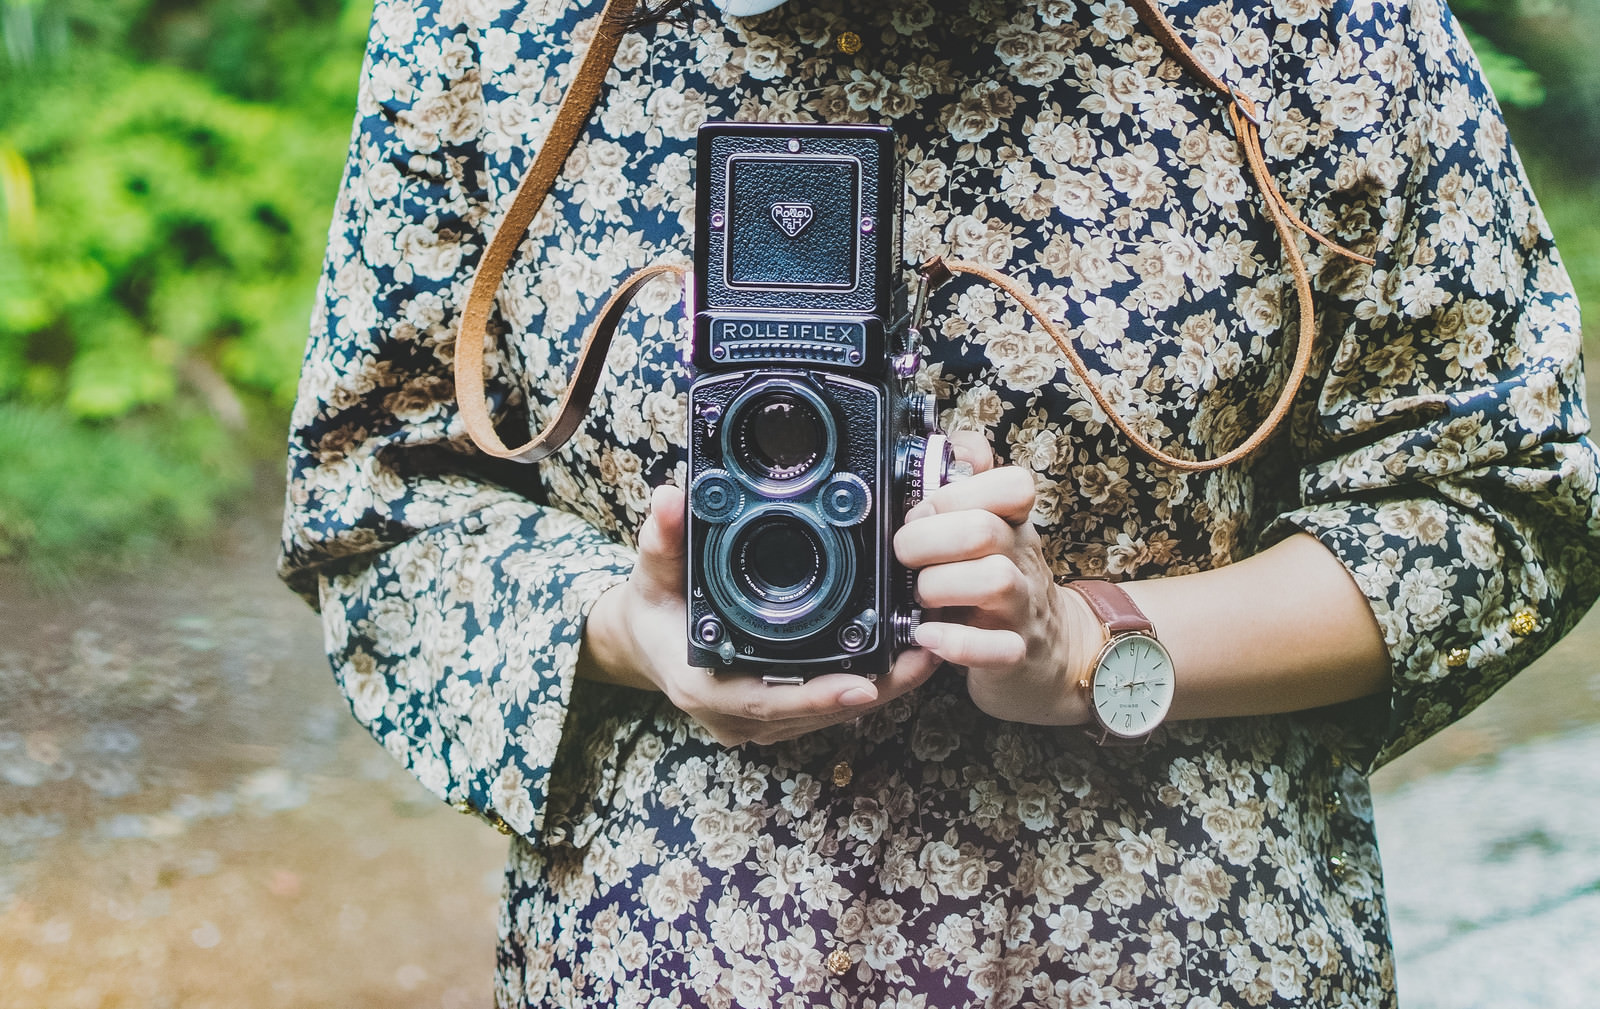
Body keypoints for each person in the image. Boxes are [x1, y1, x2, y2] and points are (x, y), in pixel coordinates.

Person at [279, 0, 1600, 1005]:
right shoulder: (491, 37)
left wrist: (1096, 641)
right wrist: (633, 630)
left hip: (1171, 953)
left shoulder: (1313, 34)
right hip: (683, 956)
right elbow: (376, 493)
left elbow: (1502, 492)